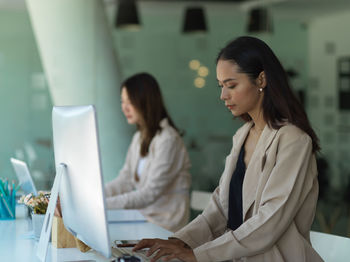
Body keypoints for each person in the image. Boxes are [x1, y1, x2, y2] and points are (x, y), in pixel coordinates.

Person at [133, 36, 323, 262]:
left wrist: (198, 255)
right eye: (221, 86)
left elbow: (269, 221)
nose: (223, 95)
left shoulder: (294, 141)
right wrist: (178, 241)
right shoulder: (241, 136)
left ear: (261, 79)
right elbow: (219, 209)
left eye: (231, 85)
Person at [104, 72, 191, 233]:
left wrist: (101, 203)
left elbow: (150, 193)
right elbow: (125, 180)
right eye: (123, 102)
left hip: (165, 224)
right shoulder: (139, 137)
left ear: (145, 101)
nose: (124, 107)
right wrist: (95, 194)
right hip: (144, 218)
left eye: (130, 101)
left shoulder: (168, 139)